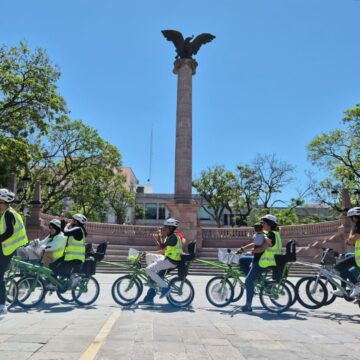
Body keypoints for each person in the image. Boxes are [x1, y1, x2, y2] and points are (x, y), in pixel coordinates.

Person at [240, 214, 283, 312]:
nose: (261, 224)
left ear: (269, 224)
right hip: (268, 261)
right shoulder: (273, 233)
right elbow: (256, 243)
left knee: (248, 281)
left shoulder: (270, 234)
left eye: (263, 223)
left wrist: (254, 251)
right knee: (243, 260)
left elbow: (262, 248)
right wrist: (244, 249)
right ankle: (256, 278)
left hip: (264, 262)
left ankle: (248, 305)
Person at [138, 222, 187, 305]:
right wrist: (148, 252)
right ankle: (152, 278)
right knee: (148, 257)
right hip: (167, 258)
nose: (163, 229)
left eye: (165, 228)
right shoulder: (169, 236)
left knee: (151, 272)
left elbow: (164, 247)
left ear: (170, 228)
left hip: (170, 261)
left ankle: (164, 288)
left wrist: (158, 238)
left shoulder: (174, 236)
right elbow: (163, 250)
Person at [0, 188, 28, 314]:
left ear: (4, 202)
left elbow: (9, 232)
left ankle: (2, 305)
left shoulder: (9, 214)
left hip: (7, 249)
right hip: (5, 248)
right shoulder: (6, 213)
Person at [49, 213, 87, 289]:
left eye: (72, 220)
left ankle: (74, 277)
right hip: (69, 257)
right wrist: (63, 221)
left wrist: (66, 225)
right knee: (52, 266)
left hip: (75, 258)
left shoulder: (78, 229)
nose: (71, 221)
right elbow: (64, 232)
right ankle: (54, 284)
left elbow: (66, 232)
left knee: (60, 271)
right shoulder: (77, 229)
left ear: (76, 221)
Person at [333, 207, 360, 297]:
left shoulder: (359, 226)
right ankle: (345, 288)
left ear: (355, 217)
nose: (351, 220)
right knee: (346, 258)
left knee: (338, 266)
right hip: (357, 257)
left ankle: (356, 286)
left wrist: (352, 229)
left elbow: (350, 241)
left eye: (351, 217)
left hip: (359, 258)